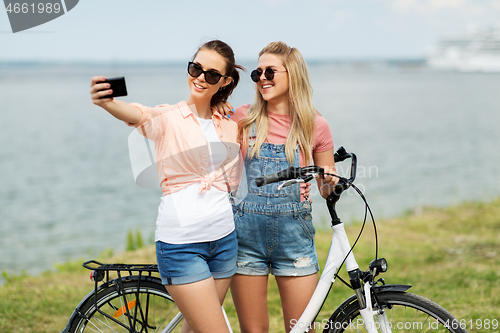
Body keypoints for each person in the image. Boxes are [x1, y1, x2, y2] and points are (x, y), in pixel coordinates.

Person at [90, 40, 244, 333]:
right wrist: (108, 102)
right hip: (182, 246)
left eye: (211, 75)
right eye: (196, 68)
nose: (200, 78)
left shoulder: (228, 123)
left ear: (224, 81)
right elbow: (140, 115)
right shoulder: (169, 118)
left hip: (225, 242)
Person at [229, 41, 338, 333]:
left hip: (294, 239)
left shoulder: (315, 126)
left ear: (293, 75)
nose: (262, 78)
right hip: (245, 239)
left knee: (301, 329)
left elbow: (327, 191)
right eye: (257, 73)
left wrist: (330, 183)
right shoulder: (242, 118)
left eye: (270, 72)